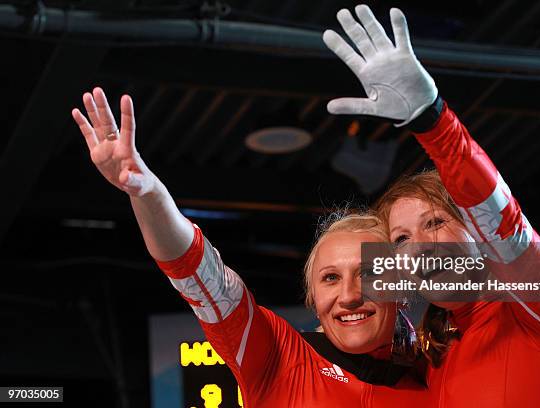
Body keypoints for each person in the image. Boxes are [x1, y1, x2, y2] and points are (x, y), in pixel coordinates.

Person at [71, 89, 429, 406]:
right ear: (313, 299)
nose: (348, 295)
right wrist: (149, 194)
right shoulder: (278, 357)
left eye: (368, 272)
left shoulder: (436, 380)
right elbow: (202, 277)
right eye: (330, 278)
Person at [323, 5, 540, 408]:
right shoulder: (436, 354)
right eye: (400, 239)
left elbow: (504, 224)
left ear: (476, 234)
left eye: (433, 222)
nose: (417, 246)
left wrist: (433, 122)